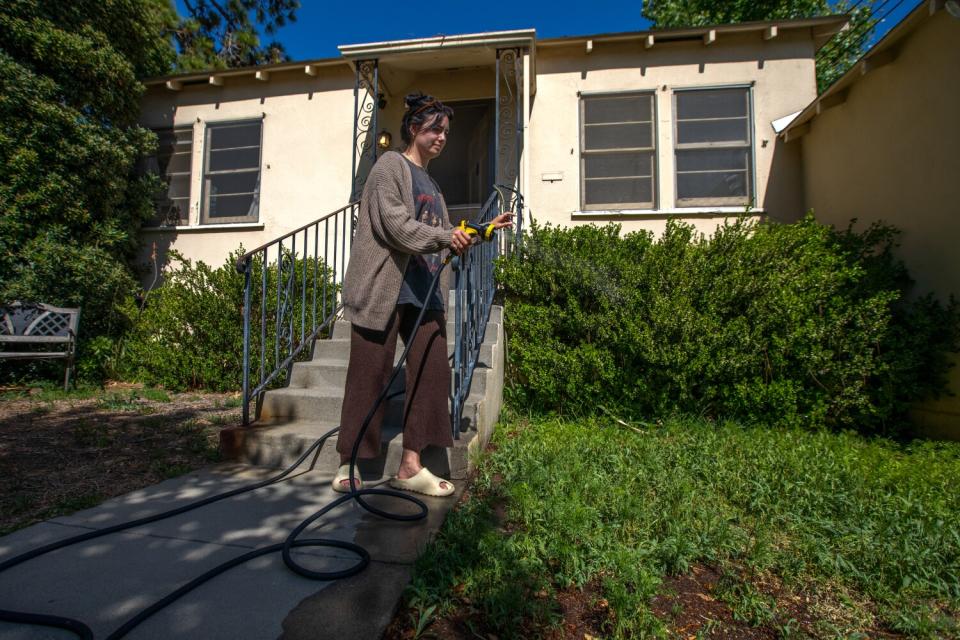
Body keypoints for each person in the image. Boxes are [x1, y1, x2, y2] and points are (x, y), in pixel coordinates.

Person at [334, 92, 512, 497]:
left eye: (446, 131)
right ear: (414, 128)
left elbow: (444, 236)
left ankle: (411, 464)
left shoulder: (432, 184)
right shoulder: (389, 167)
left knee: (432, 375)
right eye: (435, 129)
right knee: (369, 376)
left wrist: (482, 231)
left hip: (424, 291)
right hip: (383, 286)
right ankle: (351, 461)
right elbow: (396, 226)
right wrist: (445, 234)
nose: (442, 137)